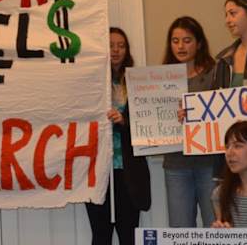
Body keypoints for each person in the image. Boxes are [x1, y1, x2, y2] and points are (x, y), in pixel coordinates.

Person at [85, 27, 151, 245]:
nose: (116, 50)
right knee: (101, 234)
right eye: (111, 45)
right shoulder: (90, 82)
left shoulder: (138, 82)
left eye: (121, 45)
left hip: (128, 170)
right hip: (98, 170)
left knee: (129, 234)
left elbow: (147, 122)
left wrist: (123, 122)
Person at [161, 17, 221, 227]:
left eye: (187, 40)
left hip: (209, 164)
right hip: (176, 164)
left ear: (199, 43)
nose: (180, 46)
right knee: (180, 231)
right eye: (175, 40)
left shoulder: (215, 74)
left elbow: (223, 115)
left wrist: (196, 114)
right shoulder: (160, 79)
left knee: (215, 226)